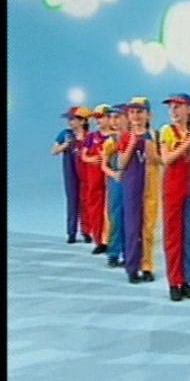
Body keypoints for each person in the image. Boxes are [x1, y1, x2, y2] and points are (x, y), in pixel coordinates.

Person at [159, 93, 190, 302]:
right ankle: (174, 281)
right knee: (173, 236)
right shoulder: (167, 131)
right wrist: (188, 143)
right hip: (173, 189)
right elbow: (166, 159)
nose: (174, 110)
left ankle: (186, 280)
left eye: (178, 106)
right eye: (172, 107)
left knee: (188, 236)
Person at [117, 97, 162, 284]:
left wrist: (152, 151)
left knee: (149, 226)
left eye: (140, 112)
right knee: (132, 226)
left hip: (151, 183)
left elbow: (162, 160)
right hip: (132, 184)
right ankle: (132, 267)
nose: (136, 116)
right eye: (133, 112)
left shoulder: (155, 135)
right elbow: (121, 163)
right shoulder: (125, 137)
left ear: (148, 115)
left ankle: (147, 266)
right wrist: (131, 144)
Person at [52, 106, 93, 244]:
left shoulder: (90, 136)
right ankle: (71, 232)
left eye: (73, 119)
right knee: (72, 200)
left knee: (86, 200)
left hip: (86, 171)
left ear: (83, 121)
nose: (70, 122)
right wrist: (65, 146)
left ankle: (86, 231)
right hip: (70, 171)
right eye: (69, 119)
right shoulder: (65, 134)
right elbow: (54, 150)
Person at [81, 104, 113, 255]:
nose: (98, 121)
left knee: (110, 208)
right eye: (96, 118)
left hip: (110, 177)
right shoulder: (92, 137)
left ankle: (110, 240)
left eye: (101, 117)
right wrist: (91, 159)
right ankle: (99, 240)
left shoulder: (115, 136)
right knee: (95, 208)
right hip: (94, 179)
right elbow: (84, 155)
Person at [101, 104, 130, 268]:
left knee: (132, 219)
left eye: (117, 117)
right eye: (111, 117)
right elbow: (104, 165)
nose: (114, 121)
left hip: (132, 182)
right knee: (116, 217)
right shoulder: (111, 141)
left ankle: (129, 253)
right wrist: (113, 174)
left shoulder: (134, 138)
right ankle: (113, 253)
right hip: (117, 183)